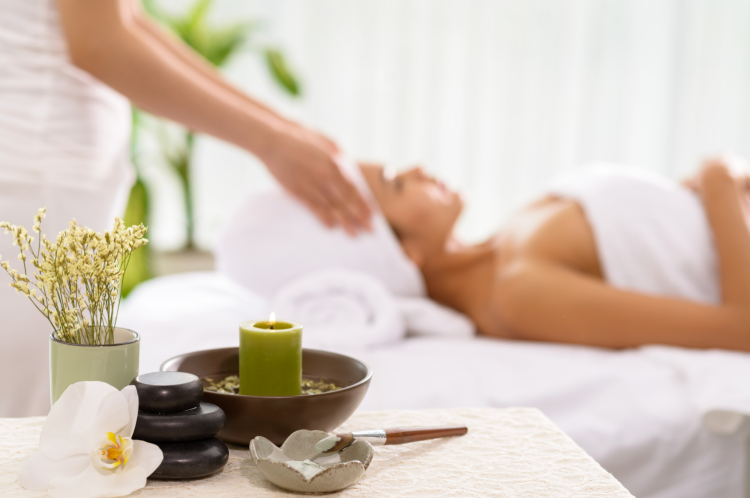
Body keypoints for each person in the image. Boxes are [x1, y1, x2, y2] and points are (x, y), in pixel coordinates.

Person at [0, 0, 369, 417]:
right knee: (27, 418)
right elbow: (101, 42)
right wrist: (273, 141)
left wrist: (283, 132)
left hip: (48, 168)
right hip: (35, 173)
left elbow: (125, 22)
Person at [359, 155, 750, 351]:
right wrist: (718, 182)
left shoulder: (503, 245)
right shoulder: (517, 296)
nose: (418, 169)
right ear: (405, 253)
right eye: (395, 184)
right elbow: (740, 328)